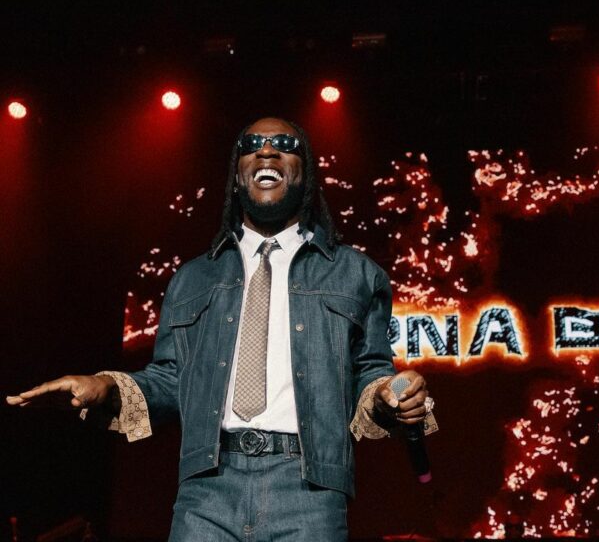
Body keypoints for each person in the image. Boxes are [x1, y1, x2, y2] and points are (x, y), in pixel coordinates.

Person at [7, 117, 437, 541]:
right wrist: (106, 385)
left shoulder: (356, 273)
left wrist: (391, 392)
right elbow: (171, 379)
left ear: (305, 175)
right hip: (206, 491)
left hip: (310, 491)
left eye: (285, 144)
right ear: (236, 176)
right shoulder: (193, 278)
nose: (266, 151)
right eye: (251, 145)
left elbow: (371, 372)